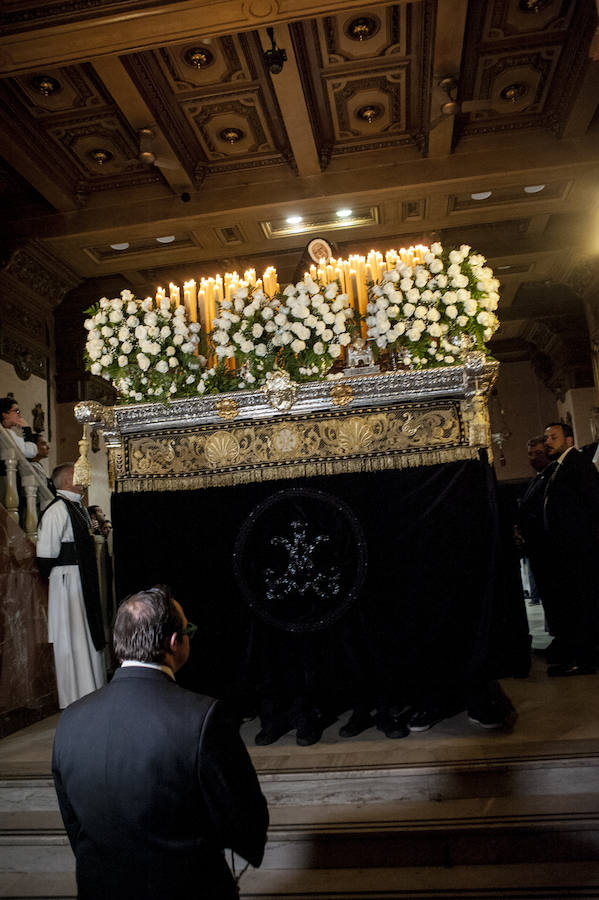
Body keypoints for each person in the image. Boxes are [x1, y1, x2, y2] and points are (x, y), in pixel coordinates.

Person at [52, 585, 269, 900]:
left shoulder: (70, 720)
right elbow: (246, 817)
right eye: (188, 631)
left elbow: (75, 825)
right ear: (174, 641)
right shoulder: (203, 717)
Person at [36, 462, 106, 707]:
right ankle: (76, 696)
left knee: (85, 636)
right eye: (79, 475)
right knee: (72, 637)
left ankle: (92, 690)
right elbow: (45, 556)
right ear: (67, 480)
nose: (84, 479)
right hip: (68, 583)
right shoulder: (56, 510)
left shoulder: (79, 508)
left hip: (82, 580)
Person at [539, 422, 599, 675]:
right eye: (546, 438)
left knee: (585, 604)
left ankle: (585, 659)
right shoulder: (560, 466)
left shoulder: (578, 464)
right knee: (576, 604)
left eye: (553, 437)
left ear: (569, 440)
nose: (548, 442)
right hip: (569, 549)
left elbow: (593, 503)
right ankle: (577, 655)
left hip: (581, 549)